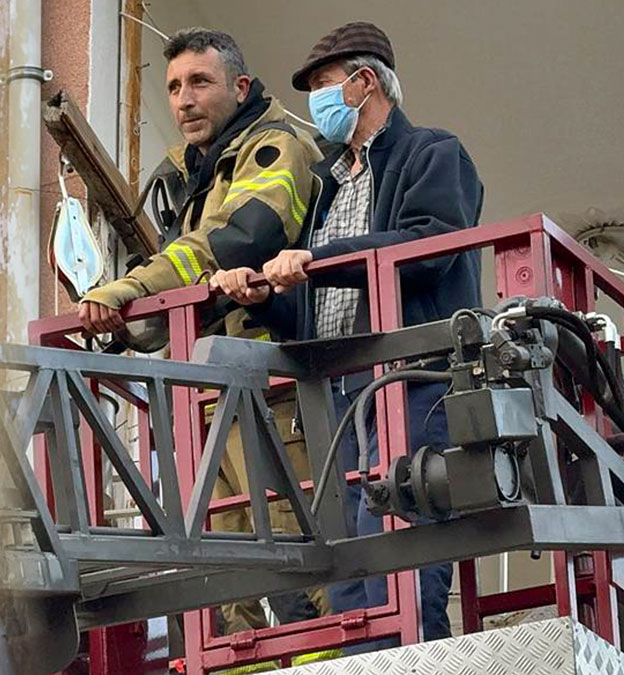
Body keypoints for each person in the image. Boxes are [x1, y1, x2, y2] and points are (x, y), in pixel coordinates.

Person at [213, 21, 483, 647]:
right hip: (339, 396)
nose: (317, 103)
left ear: (364, 83)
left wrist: (320, 261)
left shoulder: (432, 153)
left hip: (412, 380)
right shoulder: (330, 188)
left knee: (402, 553)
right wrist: (266, 296)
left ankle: (412, 659)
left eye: (324, 86)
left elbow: (429, 246)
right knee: (347, 573)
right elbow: (315, 308)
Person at [79, 27, 329, 639]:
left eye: (199, 81)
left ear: (240, 87)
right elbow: (184, 289)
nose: (184, 99)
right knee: (228, 557)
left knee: (303, 548)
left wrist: (131, 289)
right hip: (213, 387)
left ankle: (334, 654)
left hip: (272, 382)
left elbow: (237, 242)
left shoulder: (275, 148)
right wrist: (127, 326)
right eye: (172, 87)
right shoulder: (196, 173)